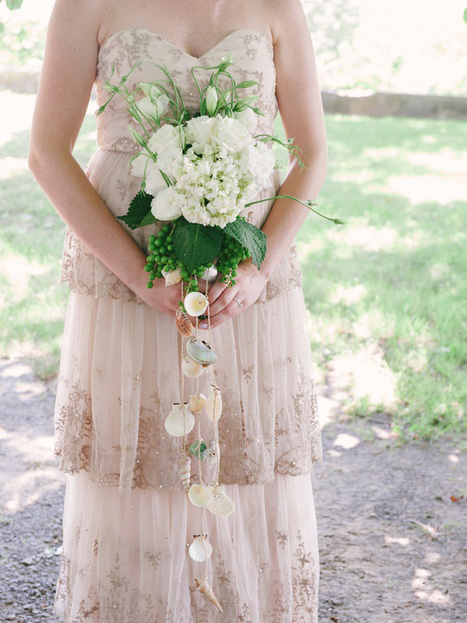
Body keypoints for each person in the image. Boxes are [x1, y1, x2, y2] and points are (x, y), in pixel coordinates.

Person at [28, 0, 328, 620]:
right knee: (143, 454)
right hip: (132, 266)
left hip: (243, 276)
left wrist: (257, 268)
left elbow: (312, 153)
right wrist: (139, 277)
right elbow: (47, 153)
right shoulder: (85, 5)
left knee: (244, 453)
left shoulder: (278, 6)